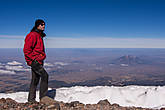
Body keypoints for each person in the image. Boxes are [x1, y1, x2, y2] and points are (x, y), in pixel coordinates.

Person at [23, 19, 48, 103]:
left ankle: (31, 99)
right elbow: (26, 50)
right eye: (41, 24)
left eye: (44, 24)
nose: (43, 26)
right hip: (35, 61)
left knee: (35, 80)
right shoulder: (33, 35)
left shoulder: (39, 35)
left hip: (38, 61)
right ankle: (43, 98)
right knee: (45, 76)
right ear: (37, 25)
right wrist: (33, 60)